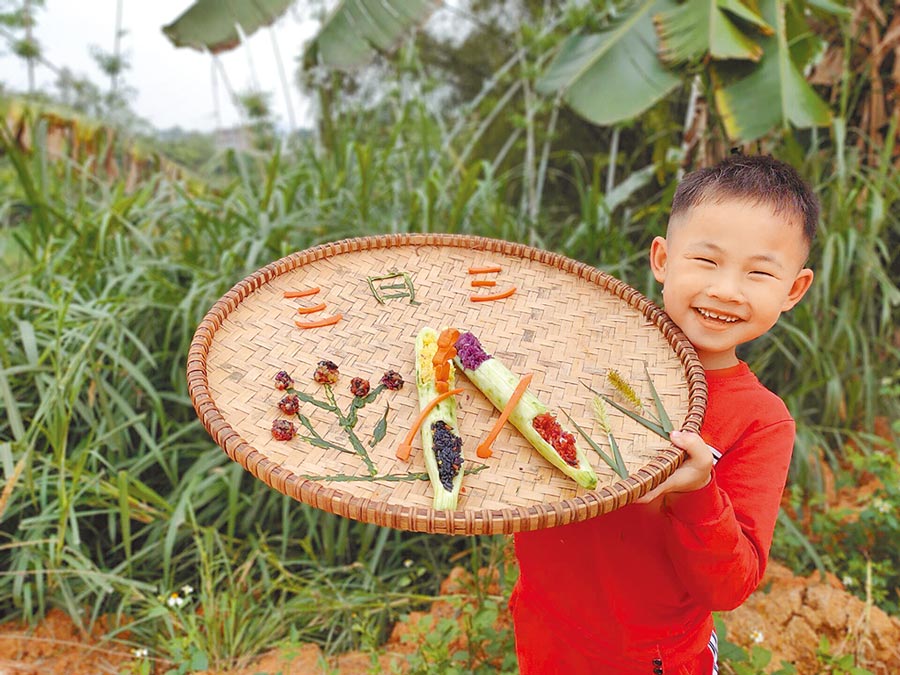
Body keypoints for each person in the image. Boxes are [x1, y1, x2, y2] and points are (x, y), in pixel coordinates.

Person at [510, 154, 817, 674]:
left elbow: (730, 585)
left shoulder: (760, 420)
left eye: (759, 273)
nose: (725, 289)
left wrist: (697, 492)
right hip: (545, 634)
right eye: (706, 261)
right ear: (661, 259)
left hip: (653, 659)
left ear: (793, 290)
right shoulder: (584, 355)